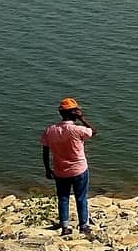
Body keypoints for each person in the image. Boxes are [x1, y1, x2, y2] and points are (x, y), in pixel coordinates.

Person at [41, 97, 97, 236]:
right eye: (76, 110)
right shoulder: (78, 130)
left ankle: (65, 227)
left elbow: (45, 151)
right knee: (81, 198)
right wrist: (83, 118)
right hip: (79, 169)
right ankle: (84, 226)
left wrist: (48, 169)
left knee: (63, 198)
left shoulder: (50, 130)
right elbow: (93, 131)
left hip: (60, 170)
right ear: (73, 113)